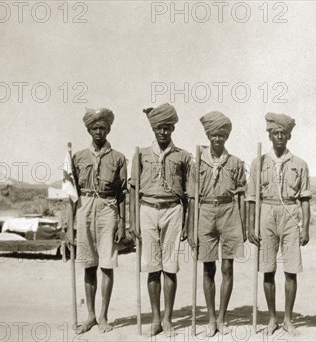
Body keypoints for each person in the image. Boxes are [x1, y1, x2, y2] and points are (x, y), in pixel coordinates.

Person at [246, 112, 311, 336]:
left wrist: (306, 226)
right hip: (266, 212)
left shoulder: (300, 164)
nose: (280, 137)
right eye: (275, 133)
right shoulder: (259, 162)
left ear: (289, 135)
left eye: (283, 133)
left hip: (291, 214)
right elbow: (252, 198)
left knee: (291, 269)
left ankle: (288, 319)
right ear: (270, 136)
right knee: (267, 269)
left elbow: (304, 198)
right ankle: (272, 317)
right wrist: (251, 225)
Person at [131, 103, 192, 337]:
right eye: (159, 128)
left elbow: (189, 194)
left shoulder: (183, 156)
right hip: (147, 210)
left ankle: (168, 319)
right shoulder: (141, 154)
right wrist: (133, 222)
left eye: (167, 128)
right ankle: (155, 319)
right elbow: (133, 191)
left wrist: (187, 223)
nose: (163, 132)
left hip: (173, 211)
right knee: (152, 267)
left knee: (170, 267)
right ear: (153, 129)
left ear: (173, 129)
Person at [187, 111, 247, 336]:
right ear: (208, 135)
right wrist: (190, 228)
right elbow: (192, 197)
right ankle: (211, 319)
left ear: (226, 137)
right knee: (208, 267)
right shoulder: (197, 163)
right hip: (204, 211)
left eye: (221, 135)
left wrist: (243, 225)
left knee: (228, 266)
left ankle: (222, 317)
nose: (217, 139)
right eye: (213, 134)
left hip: (229, 211)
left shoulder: (236, 163)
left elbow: (241, 195)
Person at [73, 108, 127, 334]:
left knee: (106, 264)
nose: (98, 132)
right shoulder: (78, 157)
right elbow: (71, 193)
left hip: (108, 209)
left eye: (102, 128)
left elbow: (122, 193)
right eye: (94, 128)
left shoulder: (118, 158)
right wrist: (70, 226)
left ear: (108, 129)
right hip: (84, 207)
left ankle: (104, 316)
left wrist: (123, 223)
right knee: (88, 263)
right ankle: (90, 316)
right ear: (88, 129)